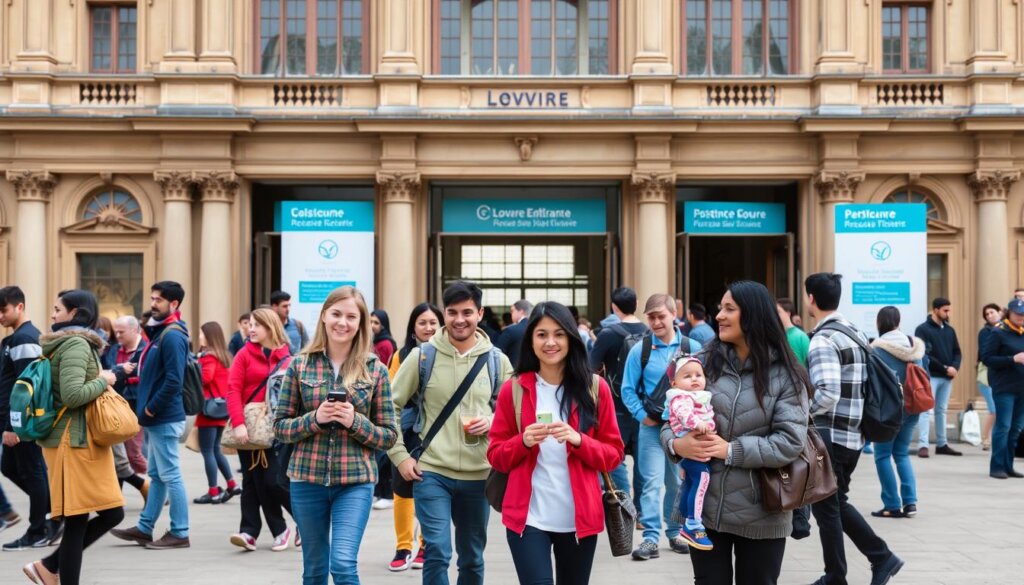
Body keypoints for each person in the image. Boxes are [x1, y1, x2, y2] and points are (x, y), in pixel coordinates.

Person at [660, 280, 810, 585]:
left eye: (729, 309)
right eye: (720, 308)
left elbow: (790, 441)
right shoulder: (702, 363)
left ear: (753, 314)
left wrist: (730, 450)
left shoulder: (786, 375)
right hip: (705, 512)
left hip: (763, 512)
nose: (719, 316)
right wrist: (677, 445)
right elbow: (669, 419)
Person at [488, 301, 624, 585]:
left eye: (559, 334)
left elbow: (613, 455)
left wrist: (579, 440)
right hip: (527, 519)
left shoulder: (595, 388)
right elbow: (496, 456)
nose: (550, 342)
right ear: (531, 341)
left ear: (571, 338)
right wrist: (523, 441)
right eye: (542, 334)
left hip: (579, 521)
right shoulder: (513, 390)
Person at [388, 281, 514, 585]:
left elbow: (515, 413)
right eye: (452, 312)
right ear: (444, 313)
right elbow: (388, 407)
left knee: (472, 557)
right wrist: (400, 456)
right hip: (431, 472)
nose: (460, 319)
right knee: (437, 551)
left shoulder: (497, 360)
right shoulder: (422, 357)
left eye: (467, 312)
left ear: (480, 314)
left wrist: (492, 420)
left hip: (479, 475)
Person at [274, 286, 398, 585]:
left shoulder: (375, 370)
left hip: (355, 482)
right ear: (324, 317)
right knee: (315, 568)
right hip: (306, 480)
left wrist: (355, 422)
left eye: (351, 317)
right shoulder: (299, 365)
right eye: (336, 314)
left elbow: (389, 436)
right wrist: (315, 418)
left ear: (361, 322)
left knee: (342, 564)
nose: (343, 322)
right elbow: (279, 427)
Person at [805, 272, 904, 585]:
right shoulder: (853, 332)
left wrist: (800, 414)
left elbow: (828, 393)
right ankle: (880, 558)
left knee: (827, 507)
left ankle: (840, 575)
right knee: (835, 503)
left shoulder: (824, 339)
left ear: (810, 298)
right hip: (854, 435)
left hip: (832, 436)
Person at [22, 289, 124, 585]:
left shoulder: (70, 343)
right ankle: (49, 569)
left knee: (111, 513)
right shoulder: (76, 344)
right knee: (79, 519)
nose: (52, 314)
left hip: (79, 439)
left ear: (76, 313)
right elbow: (73, 395)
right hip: (72, 440)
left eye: (58, 309)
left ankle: (48, 566)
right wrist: (104, 379)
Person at [110, 281, 192, 550]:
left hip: (164, 417)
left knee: (171, 475)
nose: (153, 303)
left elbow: (174, 380)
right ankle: (145, 527)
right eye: (152, 298)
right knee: (157, 474)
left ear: (174, 304)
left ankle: (180, 532)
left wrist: (150, 408)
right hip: (158, 418)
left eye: (158, 300)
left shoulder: (173, 335)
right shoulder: (161, 333)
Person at [621, 293, 701, 560]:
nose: (656, 322)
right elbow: (627, 389)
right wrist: (642, 416)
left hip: (682, 429)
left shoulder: (692, 347)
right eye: (651, 317)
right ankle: (650, 537)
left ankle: (675, 531)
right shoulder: (640, 350)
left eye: (661, 316)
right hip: (652, 427)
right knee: (651, 483)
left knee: (677, 482)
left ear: (673, 315)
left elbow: (704, 382)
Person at [0, 286, 62, 551]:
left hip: (21, 423)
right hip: (16, 421)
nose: (0, 316)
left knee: (33, 471)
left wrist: (13, 426)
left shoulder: (24, 339)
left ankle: (39, 530)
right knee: (11, 467)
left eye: (3, 310)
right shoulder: (16, 338)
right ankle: (54, 514)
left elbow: (25, 388)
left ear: (20, 307)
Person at [227, 309, 294, 551]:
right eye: (250, 324)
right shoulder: (244, 354)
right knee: (251, 481)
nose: (251, 329)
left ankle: (298, 523)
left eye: (257, 325)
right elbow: (233, 390)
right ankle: (250, 532)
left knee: (272, 482)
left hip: (276, 430)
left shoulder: (287, 357)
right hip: (249, 427)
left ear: (270, 327)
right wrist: (238, 424)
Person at [385, 302, 444, 572]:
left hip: (438, 433)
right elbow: (392, 394)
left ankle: (425, 544)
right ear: (413, 327)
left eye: (433, 322)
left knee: (429, 489)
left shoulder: (447, 354)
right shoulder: (401, 355)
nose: (428, 328)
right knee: (402, 490)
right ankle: (403, 546)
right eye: (422, 322)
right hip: (407, 431)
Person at [588, 286, 646, 513]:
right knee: (643, 461)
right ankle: (641, 511)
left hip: (616, 404)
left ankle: (626, 506)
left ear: (614, 307)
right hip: (644, 406)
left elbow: (590, 367)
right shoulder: (649, 333)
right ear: (637, 304)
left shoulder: (608, 334)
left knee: (615, 457)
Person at [870, 306, 926, 518]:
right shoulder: (913, 346)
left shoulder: (877, 349)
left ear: (879, 323)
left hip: (888, 411)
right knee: (901, 454)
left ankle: (892, 504)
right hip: (912, 407)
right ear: (898, 322)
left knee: (882, 455)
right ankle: (910, 503)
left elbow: (873, 383)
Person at [665, 356, 716, 550]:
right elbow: (684, 414)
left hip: (695, 450)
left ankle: (685, 513)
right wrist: (699, 424)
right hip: (693, 448)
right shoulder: (681, 397)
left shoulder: (697, 396)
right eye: (687, 376)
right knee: (702, 479)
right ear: (674, 383)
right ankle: (693, 524)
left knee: (690, 482)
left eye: (698, 375)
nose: (694, 379)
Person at [193, 322, 239, 505]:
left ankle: (213, 492)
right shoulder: (225, 356)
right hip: (221, 408)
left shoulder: (209, 357)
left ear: (209, 336)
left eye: (201, 334)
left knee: (207, 451)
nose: (199, 337)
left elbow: (205, 378)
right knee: (215, 449)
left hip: (208, 410)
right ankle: (232, 484)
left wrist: (194, 368)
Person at [980, 298, 1024, 479]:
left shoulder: (1022, 332)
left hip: (1022, 387)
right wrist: (1012, 359)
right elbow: (987, 358)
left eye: (1023, 314)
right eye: (1017, 314)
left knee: (1016, 428)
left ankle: (1008, 466)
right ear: (1009, 314)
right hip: (1004, 387)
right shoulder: (998, 332)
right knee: (1003, 426)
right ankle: (997, 467)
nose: (1020, 317)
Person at [914, 297, 963, 457]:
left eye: (949, 310)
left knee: (941, 410)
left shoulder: (950, 330)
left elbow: (957, 352)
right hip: (931, 376)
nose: (948, 313)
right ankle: (923, 445)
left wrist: (955, 367)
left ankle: (942, 444)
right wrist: (944, 368)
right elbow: (924, 354)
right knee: (926, 410)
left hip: (947, 377)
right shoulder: (922, 329)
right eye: (945, 310)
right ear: (935, 310)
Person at [109, 316, 148, 478]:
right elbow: (107, 371)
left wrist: (122, 374)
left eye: (121, 332)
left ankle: (153, 484)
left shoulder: (145, 349)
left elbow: (147, 376)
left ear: (134, 330)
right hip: (117, 406)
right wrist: (120, 370)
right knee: (119, 457)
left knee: (133, 453)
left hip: (138, 407)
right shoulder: (113, 349)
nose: (117, 335)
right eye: (116, 332)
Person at [977, 304, 1002, 450]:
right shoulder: (985, 332)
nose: (989, 316)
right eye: (987, 314)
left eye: (992, 312)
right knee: (994, 409)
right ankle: (986, 438)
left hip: (1002, 375)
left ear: (1000, 312)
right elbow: (984, 354)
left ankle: (993, 439)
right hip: (986, 374)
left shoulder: (1007, 330)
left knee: (1001, 410)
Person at [497, 299, 534, 368]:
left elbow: (497, 353)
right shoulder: (537, 329)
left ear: (521, 312)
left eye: (512, 311)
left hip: (513, 370)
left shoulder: (510, 330)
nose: (511, 314)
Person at [776, 298, 810, 365]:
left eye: (778, 312)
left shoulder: (801, 336)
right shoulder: (775, 336)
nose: (775, 315)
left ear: (788, 313)